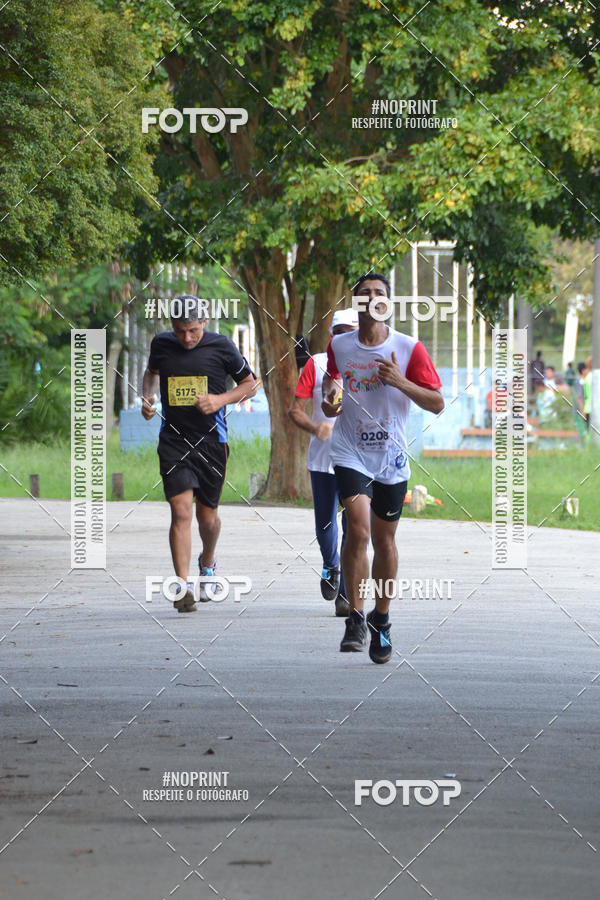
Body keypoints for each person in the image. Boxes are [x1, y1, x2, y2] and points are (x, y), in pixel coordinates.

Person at [322, 274, 444, 664]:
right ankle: (356, 617)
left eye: (379, 293)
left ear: (388, 303)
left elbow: (437, 402)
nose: (372, 298)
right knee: (357, 530)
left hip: (391, 456)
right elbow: (332, 383)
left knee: (384, 541)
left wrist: (400, 382)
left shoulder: (408, 348)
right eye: (364, 294)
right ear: (356, 302)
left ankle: (382, 618)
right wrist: (329, 399)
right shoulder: (340, 345)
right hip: (350, 449)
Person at [141, 296, 257, 613]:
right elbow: (151, 372)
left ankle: (207, 561)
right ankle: (182, 586)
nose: (187, 338)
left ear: (204, 322)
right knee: (181, 511)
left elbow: (251, 384)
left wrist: (220, 400)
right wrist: (148, 397)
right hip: (174, 440)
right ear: (172, 326)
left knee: (207, 518)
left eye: (193, 330)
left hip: (211, 442)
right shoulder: (162, 344)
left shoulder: (222, 346)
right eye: (180, 331)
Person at [288, 309, 359, 617]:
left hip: (359, 459)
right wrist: (316, 428)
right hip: (323, 458)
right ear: (331, 336)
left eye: (351, 332)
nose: (344, 338)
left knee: (355, 525)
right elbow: (295, 411)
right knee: (325, 523)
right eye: (339, 332)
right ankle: (331, 565)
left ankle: (345, 593)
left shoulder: (370, 365)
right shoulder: (316, 365)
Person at [573, 361, 588, 440]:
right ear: (583, 370)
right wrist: (583, 412)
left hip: (584, 412)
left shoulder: (586, 381)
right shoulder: (578, 382)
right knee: (581, 433)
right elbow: (579, 398)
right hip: (579, 413)